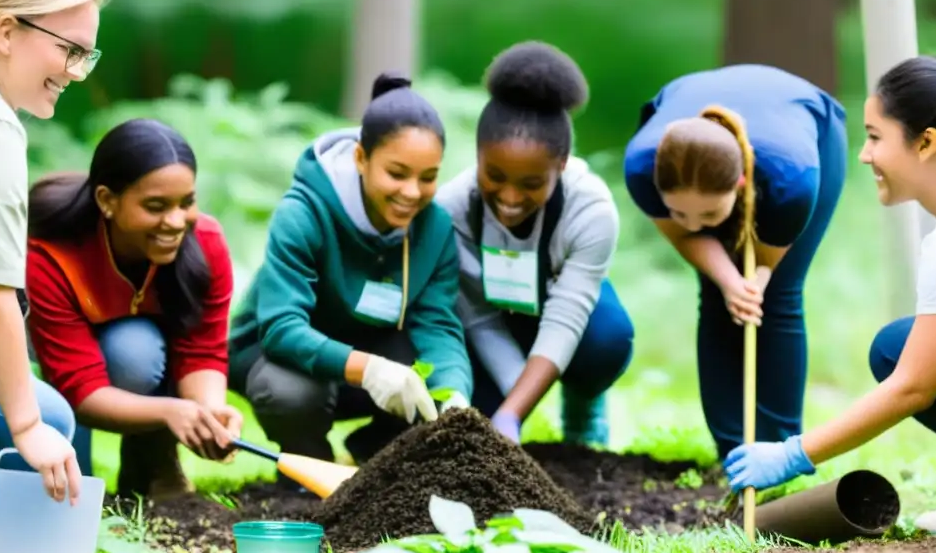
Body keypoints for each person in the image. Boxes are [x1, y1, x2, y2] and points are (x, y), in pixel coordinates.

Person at [724, 49, 936, 536]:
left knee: (895, 351)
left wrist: (795, 454)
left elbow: (914, 386)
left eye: (874, 138)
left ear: (926, 142)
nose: (863, 155)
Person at [228, 73, 472, 475]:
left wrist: (454, 398)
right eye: (397, 174)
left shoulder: (436, 228)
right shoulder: (303, 213)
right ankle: (308, 465)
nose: (412, 192)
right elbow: (281, 327)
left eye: (428, 178)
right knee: (289, 392)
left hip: (369, 352)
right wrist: (370, 369)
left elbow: (439, 326)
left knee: (445, 365)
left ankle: (376, 459)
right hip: (278, 360)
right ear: (361, 158)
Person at [0, 0, 105, 553]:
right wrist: (26, 428)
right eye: (68, 50)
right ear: (8, 31)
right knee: (52, 420)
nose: (75, 70)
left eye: (85, 55)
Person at [623, 64, 848, 461]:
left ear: (740, 184)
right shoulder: (643, 168)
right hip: (696, 107)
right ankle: (733, 454)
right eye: (679, 213)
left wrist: (752, 285)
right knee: (716, 291)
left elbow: (765, 265)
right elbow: (688, 238)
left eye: (709, 217)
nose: (694, 226)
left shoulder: (791, 183)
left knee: (778, 295)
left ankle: (778, 452)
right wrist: (729, 282)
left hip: (808, 127)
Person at [25, 118, 241, 500]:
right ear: (107, 201)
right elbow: (79, 386)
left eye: (187, 203)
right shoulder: (51, 252)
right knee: (73, 494)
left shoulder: (205, 243)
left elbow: (203, 350)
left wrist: (209, 413)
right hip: (36, 348)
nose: (176, 222)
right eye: (156, 206)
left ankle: (153, 464)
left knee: (135, 352)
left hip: (126, 349)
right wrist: (169, 412)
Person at [435, 41, 634, 448]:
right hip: (495, 316)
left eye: (530, 184)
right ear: (477, 157)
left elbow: (566, 317)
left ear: (560, 166)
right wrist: (512, 404)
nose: (509, 198)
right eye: (495, 176)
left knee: (608, 341)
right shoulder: (451, 210)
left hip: (567, 313)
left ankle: (584, 403)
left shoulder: (590, 209)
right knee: (478, 412)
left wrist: (512, 412)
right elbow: (476, 317)